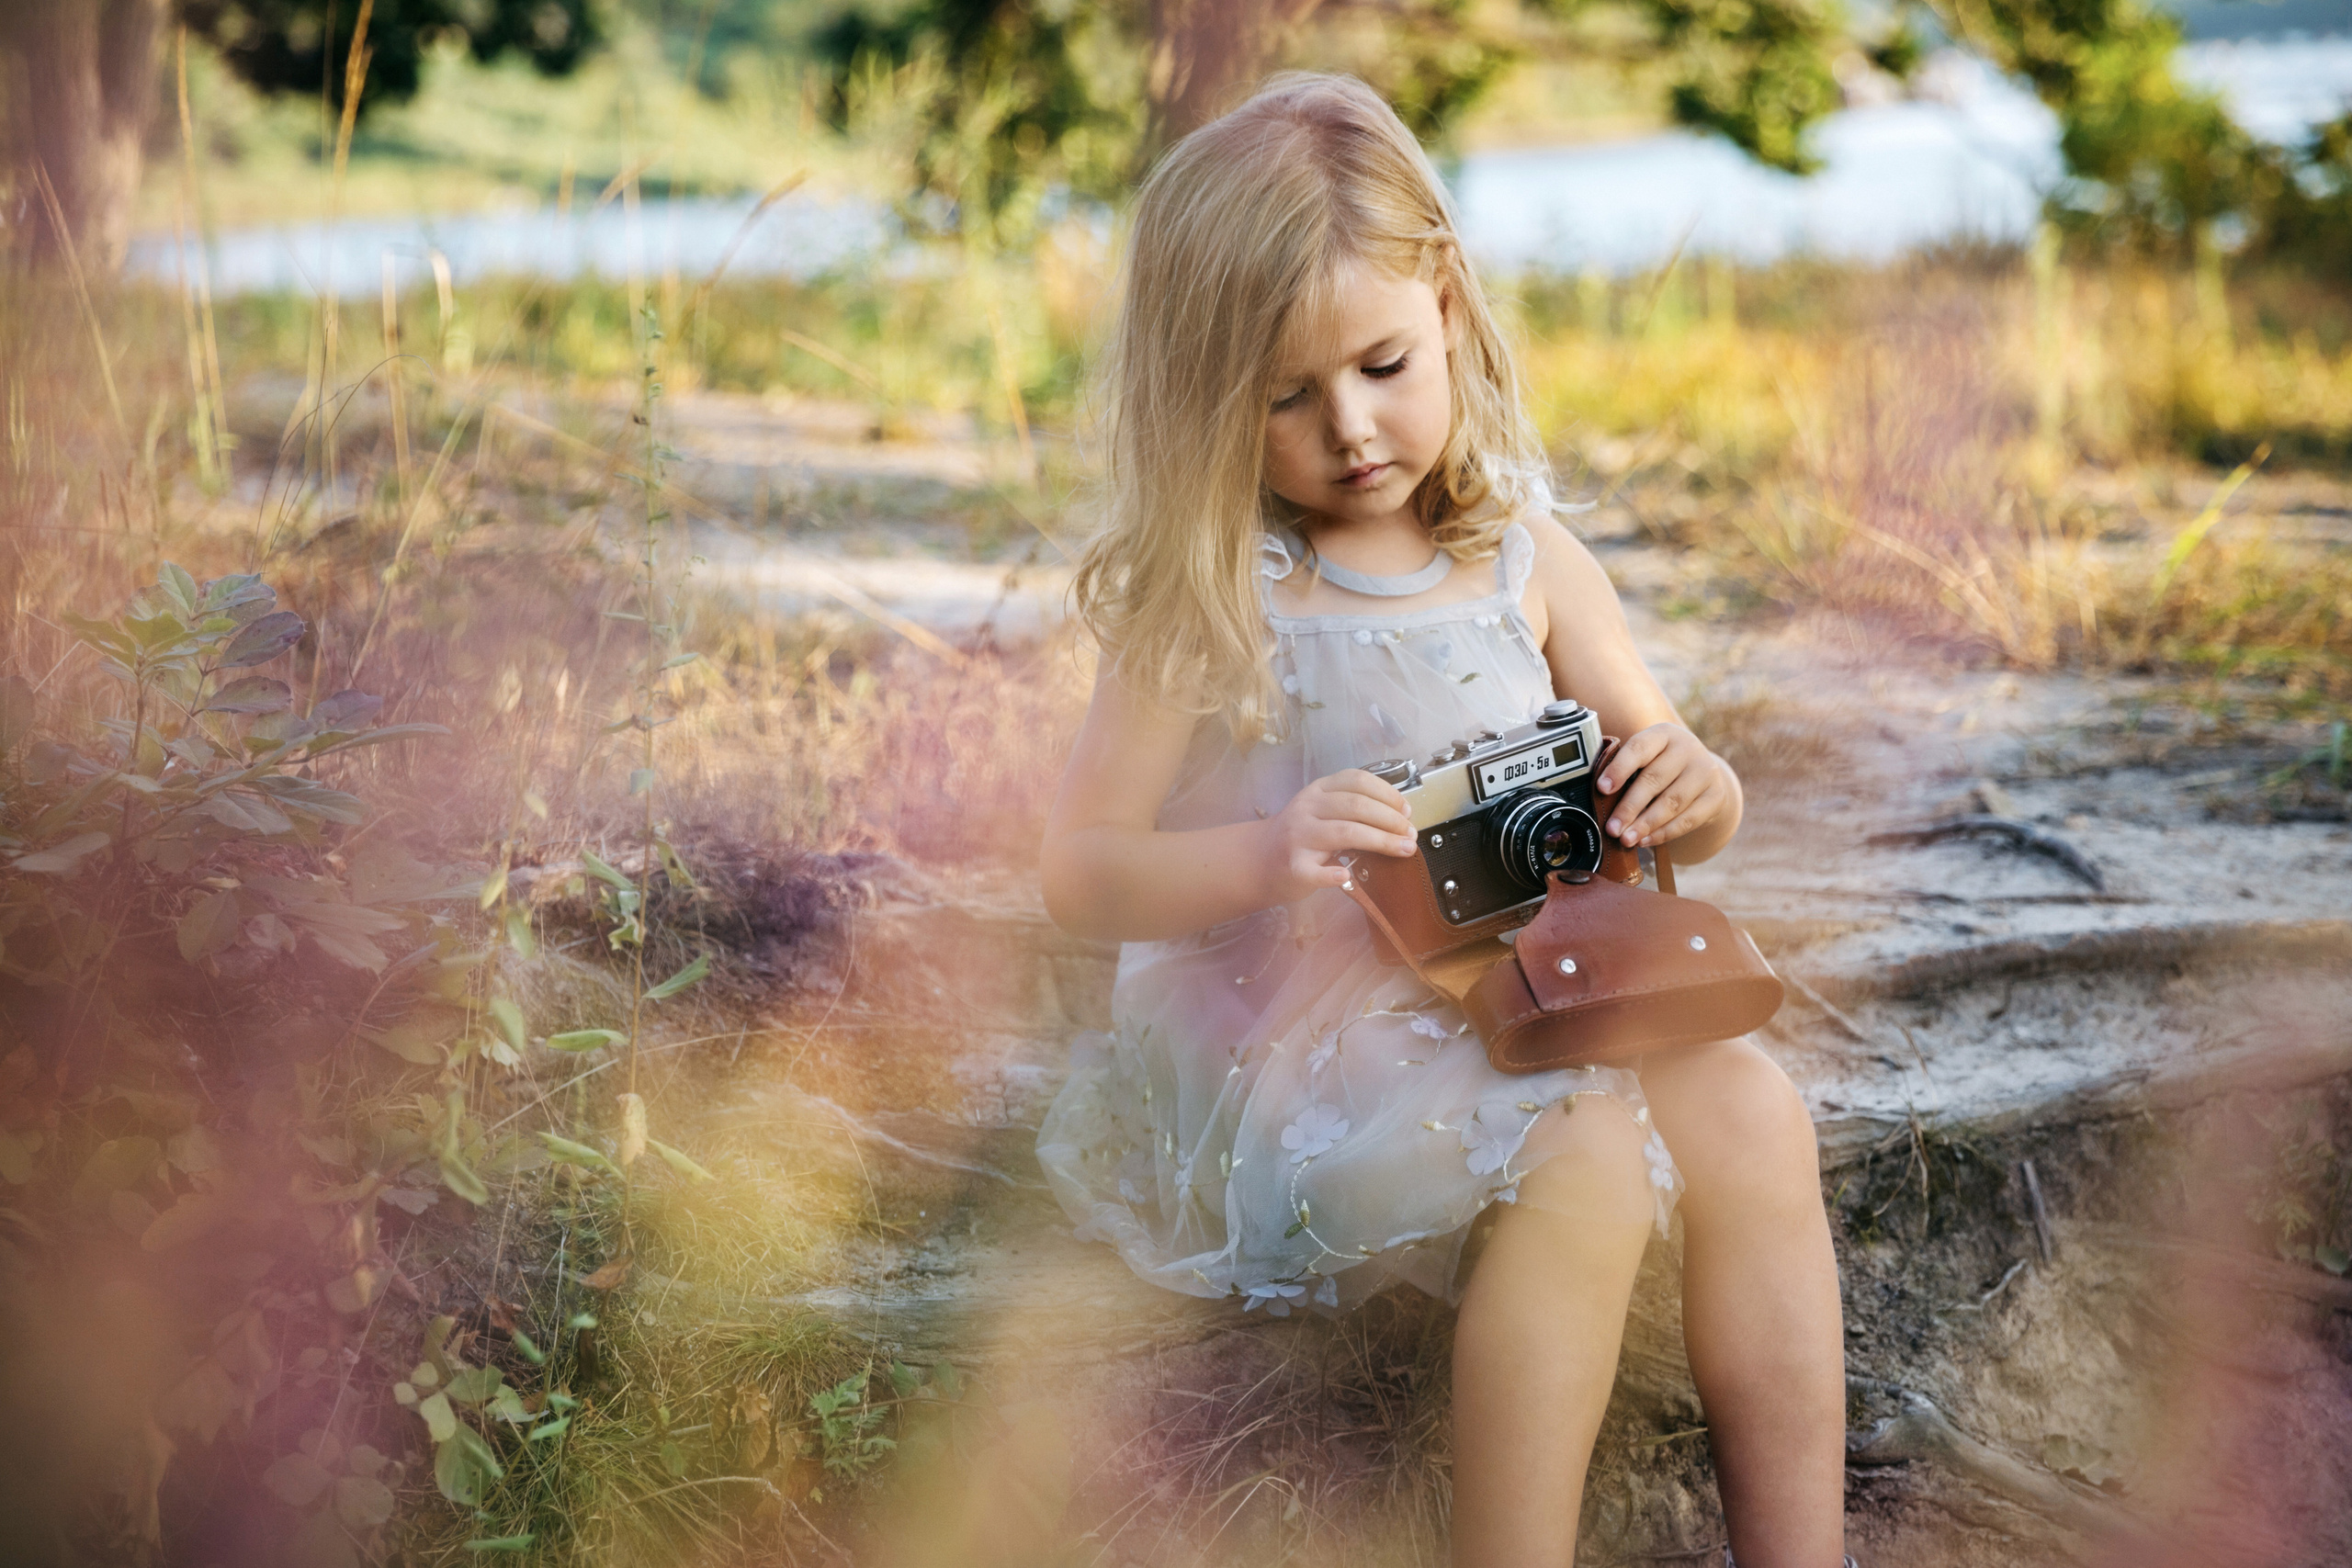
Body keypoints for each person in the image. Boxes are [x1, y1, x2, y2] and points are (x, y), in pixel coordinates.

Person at [1033, 73, 1848, 1568]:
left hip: (1522, 976)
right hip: (1292, 1019)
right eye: (1283, 396)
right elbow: (1078, 872)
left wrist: (1698, 787)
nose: (1349, 428)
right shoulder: (1213, 593)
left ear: (1453, 310)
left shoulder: (1523, 556)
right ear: (1206, 397)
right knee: (1588, 1160)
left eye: (1384, 363)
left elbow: (1663, 767)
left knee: (1753, 1112)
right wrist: (1261, 856)